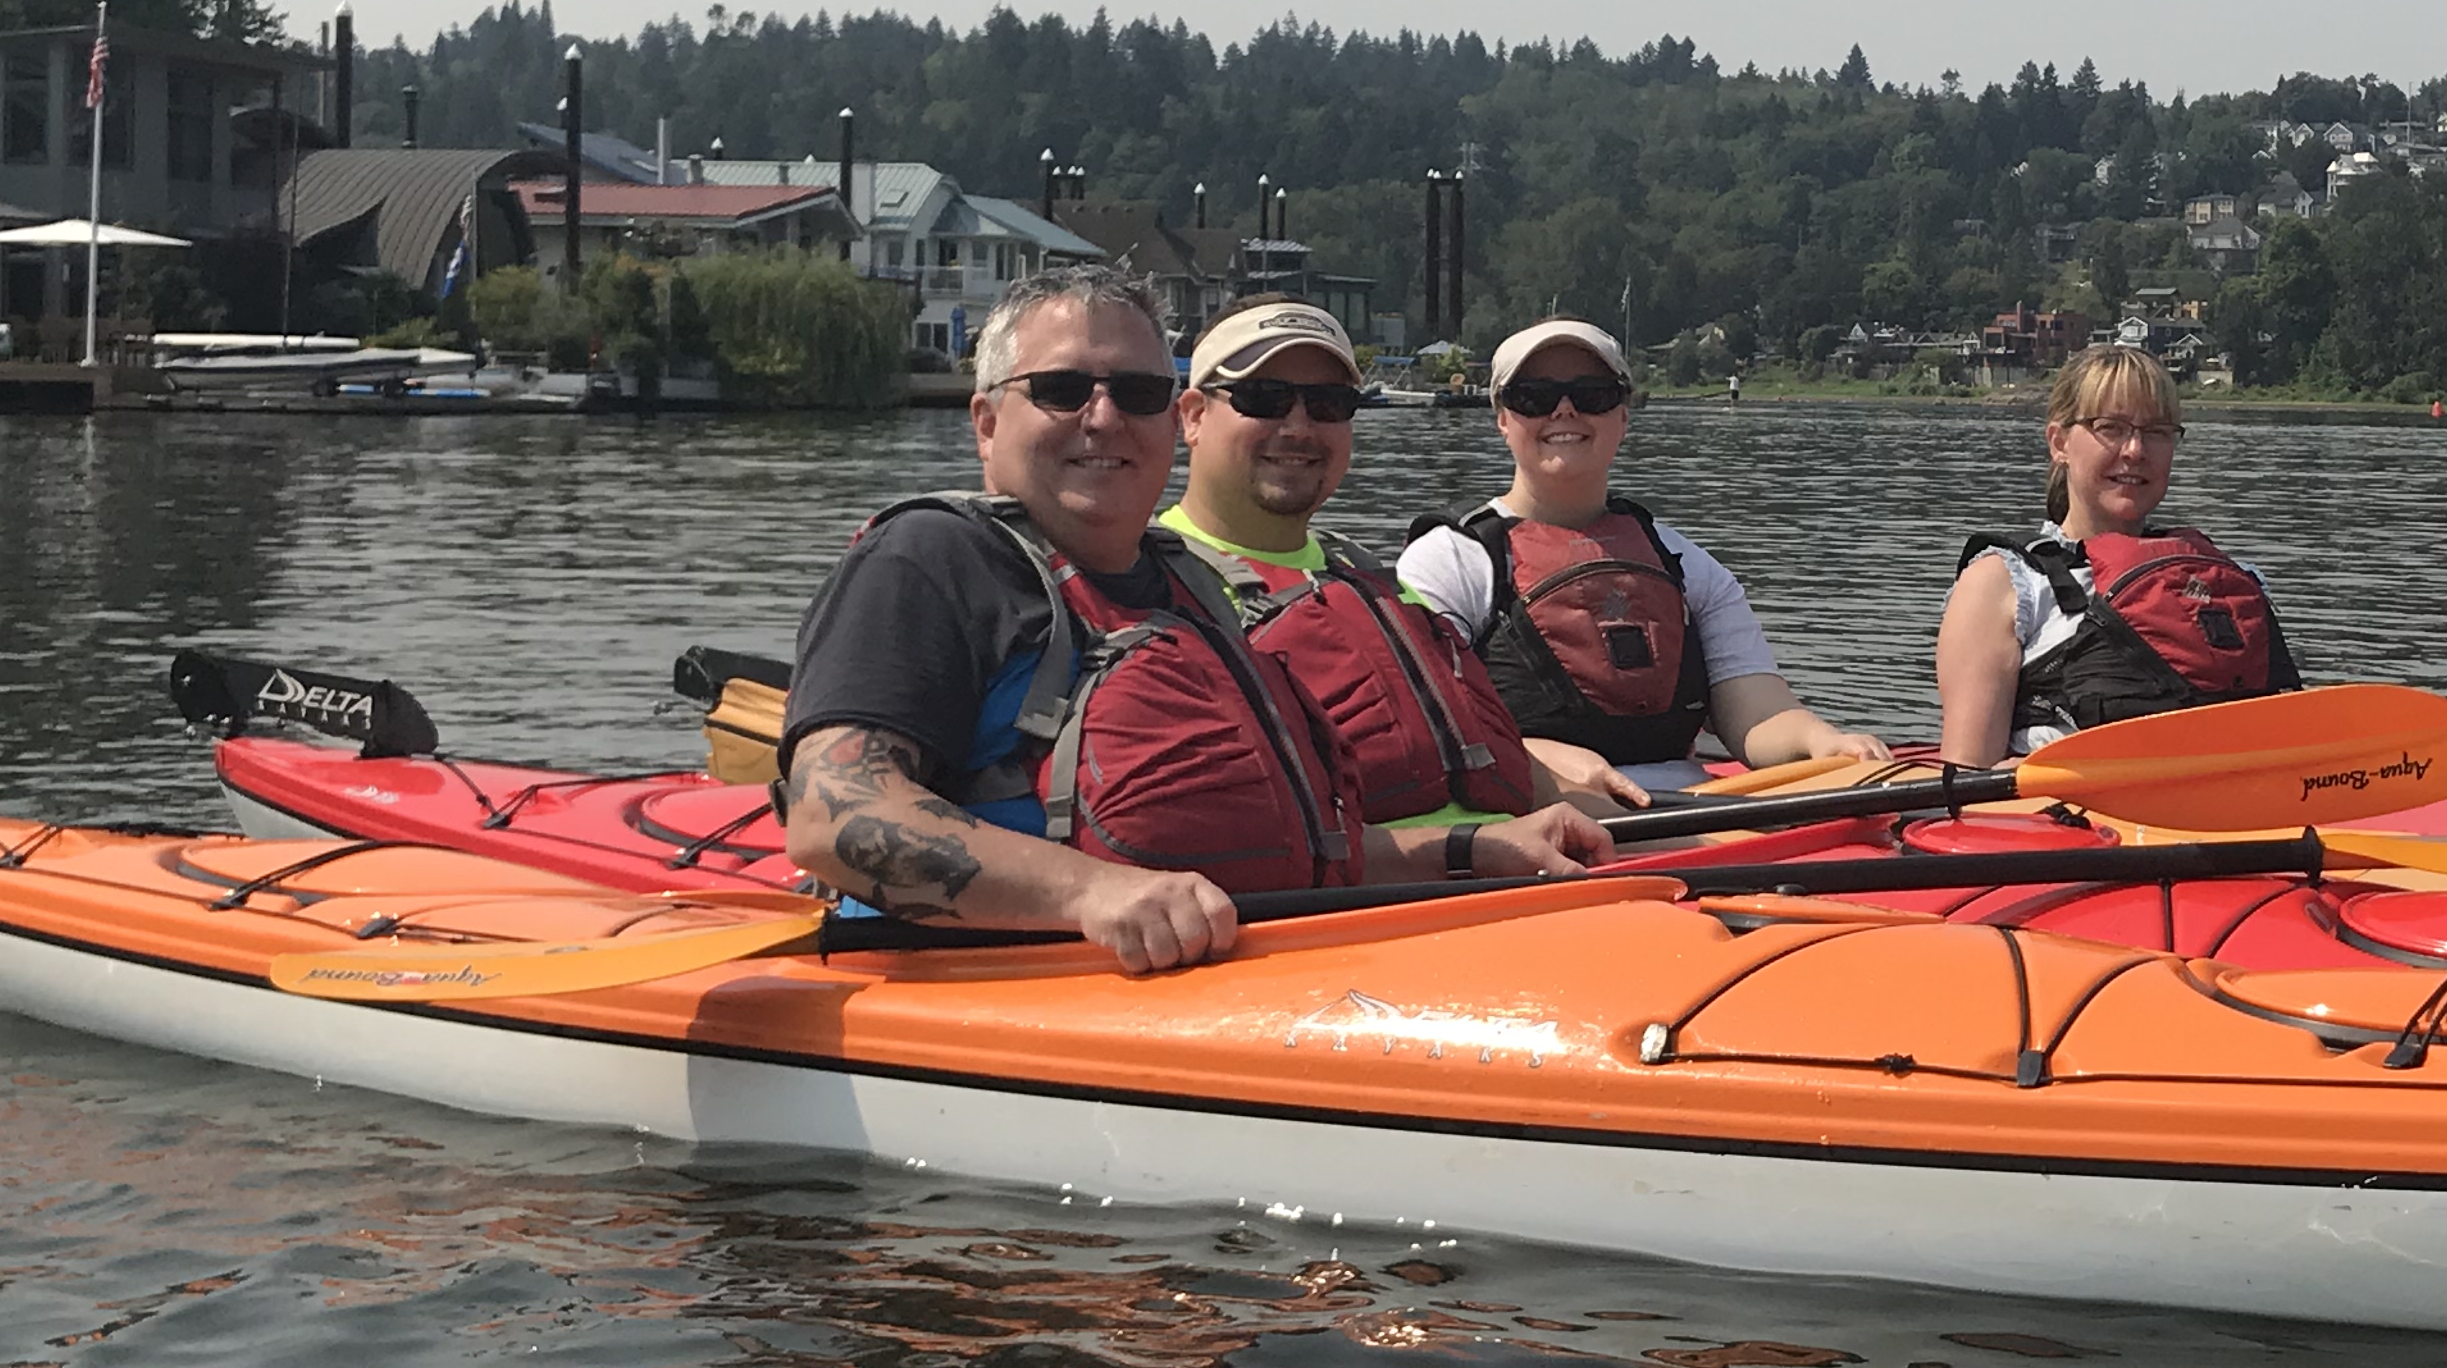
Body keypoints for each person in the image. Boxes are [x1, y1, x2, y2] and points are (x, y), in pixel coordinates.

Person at [778, 266, 1611, 973]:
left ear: (1168, 418)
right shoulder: (929, 559)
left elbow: (1286, 843)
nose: (1103, 418)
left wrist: (1466, 849)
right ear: (988, 421)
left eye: (1136, 393)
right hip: (989, 983)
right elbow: (832, 814)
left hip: (1218, 972)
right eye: (1063, 390)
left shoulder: (1188, 588)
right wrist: (1093, 893)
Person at [1397, 316, 1890, 803]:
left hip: (1691, 816)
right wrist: (1533, 759)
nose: (1564, 411)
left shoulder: (1687, 566)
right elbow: (1431, 721)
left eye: (1592, 395)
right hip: (1534, 818)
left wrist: (1821, 743)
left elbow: (1756, 710)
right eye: (1534, 397)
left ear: (1623, 415)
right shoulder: (1450, 563)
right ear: (1503, 418)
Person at [1155, 295, 1541, 824]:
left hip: (1525, 872)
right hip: (1383, 896)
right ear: (1194, 417)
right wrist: (1463, 850)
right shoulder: (1149, 590)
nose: (1298, 426)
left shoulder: (1373, 580)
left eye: (1329, 403)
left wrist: (1557, 772)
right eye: (1264, 398)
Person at [1932, 342, 2304, 769]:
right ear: (2059, 443)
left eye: (2158, 431)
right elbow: (1965, 778)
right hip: (2066, 827)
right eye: (2111, 427)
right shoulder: (2003, 583)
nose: (2135, 450)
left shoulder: (2232, 583)